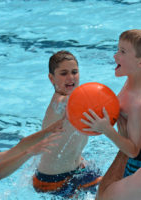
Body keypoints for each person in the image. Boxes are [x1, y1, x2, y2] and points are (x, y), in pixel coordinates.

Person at [81, 29, 141, 177]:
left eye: (123, 52)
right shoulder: (137, 79)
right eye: (118, 49)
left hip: (139, 162)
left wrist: (107, 129)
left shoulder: (138, 103)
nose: (115, 55)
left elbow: (133, 151)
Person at [33, 51, 102, 197]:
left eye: (74, 72)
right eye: (63, 73)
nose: (70, 77)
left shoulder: (75, 101)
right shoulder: (59, 102)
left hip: (77, 169)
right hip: (52, 180)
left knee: (108, 189)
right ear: (51, 78)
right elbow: (66, 103)